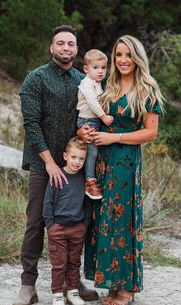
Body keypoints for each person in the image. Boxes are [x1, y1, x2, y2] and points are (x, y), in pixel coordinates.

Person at [11, 25, 98, 305]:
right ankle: (28, 284)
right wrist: (49, 163)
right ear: (51, 48)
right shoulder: (36, 78)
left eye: (70, 44)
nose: (65, 48)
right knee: (36, 221)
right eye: (60, 43)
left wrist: (84, 130)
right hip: (42, 164)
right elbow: (31, 124)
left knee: (76, 222)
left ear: (76, 49)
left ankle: (73, 282)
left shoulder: (82, 80)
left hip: (74, 166)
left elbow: (85, 115)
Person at [84, 35, 164, 305]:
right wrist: (89, 132)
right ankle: (112, 284)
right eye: (118, 54)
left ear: (137, 57)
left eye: (127, 54)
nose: (122, 60)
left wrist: (114, 139)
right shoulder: (109, 86)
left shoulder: (148, 89)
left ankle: (128, 288)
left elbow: (150, 132)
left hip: (126, 162)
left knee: (123, 220)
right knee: (104, 219)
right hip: (103, 160)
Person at [43, 136, 90, 305]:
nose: (77, 162)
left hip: (77, 228)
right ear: (65, 156)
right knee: (59, 263)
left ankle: (72, 291)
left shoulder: (83, 178)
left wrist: (84, 225)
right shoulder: (57, 175)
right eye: (73, 157)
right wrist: (51, 226)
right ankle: (57, 294)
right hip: (58, 228)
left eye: (81, 158)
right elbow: (48, 203)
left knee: (74, 262)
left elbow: (87, 203)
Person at [76, 49, 113, 200]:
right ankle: (90, 181)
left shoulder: (97, 84)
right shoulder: (86, 84)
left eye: (103, 68)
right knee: (92, 152)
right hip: (87, 121)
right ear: (86, 69)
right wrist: (104, 116)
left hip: (94, 120)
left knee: (96, 152)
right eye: (96, 68)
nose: (100, 71)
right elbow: (92, 102)